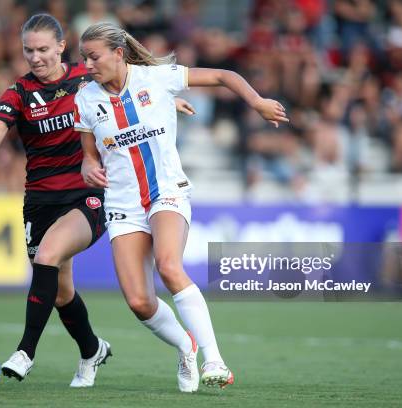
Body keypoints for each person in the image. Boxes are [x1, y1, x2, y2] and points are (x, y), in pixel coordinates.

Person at [0, 14, 194, 388]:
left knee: (46, 255)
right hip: (40, 201)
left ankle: (25, 352)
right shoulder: (20, 92)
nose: (35, 57)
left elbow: (129, 92)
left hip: (87, 193)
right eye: (28, 50)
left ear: (61, 46)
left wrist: (166, 105)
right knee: (60, 292)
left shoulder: (86, 76)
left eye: (43, 49)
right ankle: (92, 350)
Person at [75, 22, 288, 392]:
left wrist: (256, 102)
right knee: (140, 302)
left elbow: (224, 74)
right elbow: (88, 156)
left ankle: (214, 360)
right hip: (124, 203)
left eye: (93, 57)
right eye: (84, 58)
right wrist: (89, 167)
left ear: (118, 53)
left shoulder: (156, 78)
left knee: (169, 266)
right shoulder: (85, 98)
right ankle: (185, 346)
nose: (87, 65)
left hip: (166, 192)